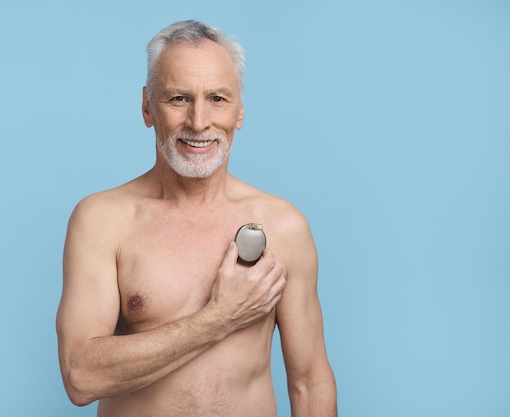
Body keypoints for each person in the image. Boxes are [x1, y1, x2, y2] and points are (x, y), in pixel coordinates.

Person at [56, 20, 337, 417]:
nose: (199, 122)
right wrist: (220, 317)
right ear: (147, 107)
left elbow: (310, 382)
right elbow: (80, 376)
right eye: (178, 99)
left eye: (218, 99)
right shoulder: (103, 221)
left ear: (239, 111)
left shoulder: (284, 226)